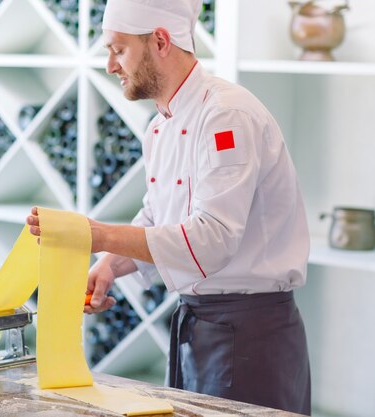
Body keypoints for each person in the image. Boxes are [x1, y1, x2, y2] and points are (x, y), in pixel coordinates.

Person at [27, 0, 311, 414]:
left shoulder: (225, 116)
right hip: (198, 330)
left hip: (251, 337)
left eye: (118, 49)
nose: (110, 65)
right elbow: (159, 217)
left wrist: (96, 233)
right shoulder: (159, 125)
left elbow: (211, 239)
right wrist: (110, 263)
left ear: (160, 40)